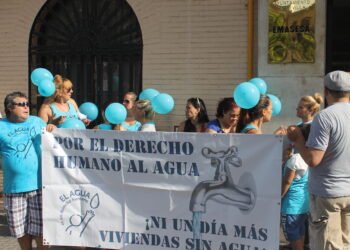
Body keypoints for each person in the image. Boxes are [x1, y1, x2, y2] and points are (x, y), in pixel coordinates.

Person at [287, 70, 350, 250]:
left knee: (327, 245)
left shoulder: (325, 117)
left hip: (328, 192)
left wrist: (298, 140)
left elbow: (313, 159)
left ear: (326, 91)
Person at [0, 92, 55, 250]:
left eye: (27, 104)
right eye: (21, 104)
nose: (26, 107)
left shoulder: (37, 122)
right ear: (10, 108)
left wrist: (53, 127)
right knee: (20, 230)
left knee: (42, 229)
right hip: (14, 188)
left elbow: (55, 142)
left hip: (40, 186)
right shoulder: (1, 126)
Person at [281, 124, 310, 250]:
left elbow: (287, 182)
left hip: (290, 205)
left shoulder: (295, 159)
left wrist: (278, 197)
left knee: (293, 236)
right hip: (303, 204)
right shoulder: (308, 156)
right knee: (300, 232)